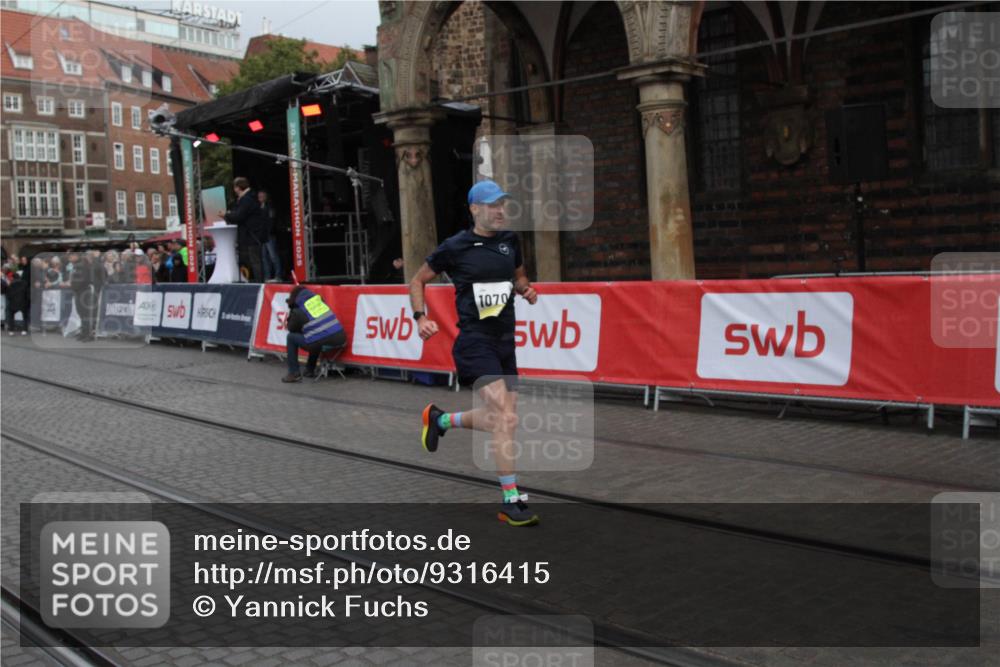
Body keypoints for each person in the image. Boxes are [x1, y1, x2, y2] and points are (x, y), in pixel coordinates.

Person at [408, 179, 539, 527]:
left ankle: (439, 420)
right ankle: (511, 499)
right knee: (505, 418)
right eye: (492, 205)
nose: (499, 211)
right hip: (474, 342)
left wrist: (525, 290)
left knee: (501, 419)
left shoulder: (510, 241)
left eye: (502, 205)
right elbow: (417, 280)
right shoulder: (455, 247)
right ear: (475, 209)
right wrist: (421, 317)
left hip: (504, 341)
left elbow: (518, 274)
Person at [282, 285, 346, 383]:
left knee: (291, 338)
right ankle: (309, 370)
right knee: (314, 336)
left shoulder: (298, 310)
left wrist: (292, 310)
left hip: (322, 340)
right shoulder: (319, 302)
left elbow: (291, 328)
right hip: (341, 338)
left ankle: (294, 373)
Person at [219, 177, 267, 282]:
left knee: (255, 261)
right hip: (251, 235)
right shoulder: (247, 198)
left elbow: (239, 216)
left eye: (235, 187)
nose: (234, 190)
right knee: (253, 260)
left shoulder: (247, 199)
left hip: (252, 235)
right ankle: (256, 280)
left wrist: (226, 215)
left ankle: (259, 283)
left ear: (238, 187)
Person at [258, 190, 282, 282]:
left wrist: (269, 232)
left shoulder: (270, 207)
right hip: (263, 236)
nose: (260, 197)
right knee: (264, 257)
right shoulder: (259, 207)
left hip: (269, 235)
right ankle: (267, 277)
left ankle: (278, 276)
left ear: (266, 196)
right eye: (259, 195)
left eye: (262, 195)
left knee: (273, 256)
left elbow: (272, 221)